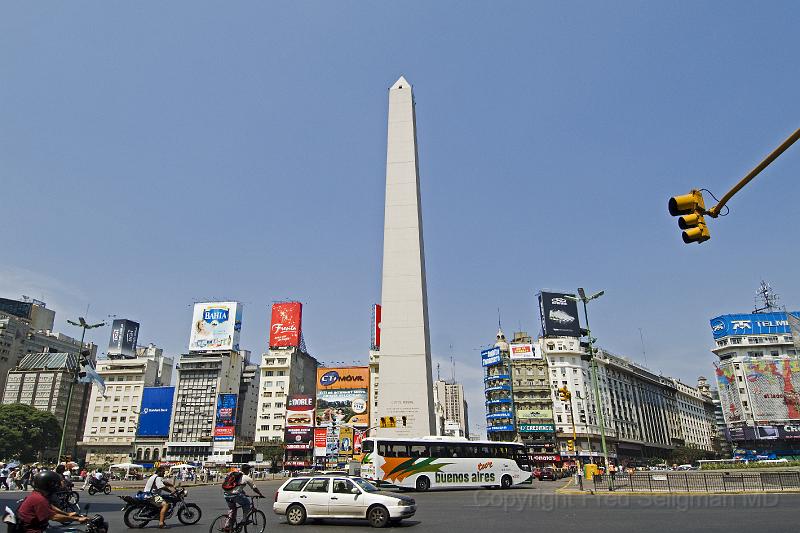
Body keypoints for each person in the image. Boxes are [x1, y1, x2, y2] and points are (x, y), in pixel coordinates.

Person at [17, 470, 88, 533]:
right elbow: (54, 517)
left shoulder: (37, 495)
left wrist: (67, 514)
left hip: (40, 527)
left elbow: (50, 506)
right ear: (49, 485)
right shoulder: (38, 499)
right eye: (55, 484)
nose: (57, 486)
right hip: (35, 530)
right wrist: (78, 518)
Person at [223, 464, 264, 531]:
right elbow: (254, 488)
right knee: (247, 504)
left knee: (233, 510)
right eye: (249, 470)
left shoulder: (232, 474)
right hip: (235, 495)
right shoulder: (246, 478)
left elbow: (236, 487)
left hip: (226, 494)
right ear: (247, 470)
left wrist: (244, 493)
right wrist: (260, 494)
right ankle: (244, 520)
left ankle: (227, 525)